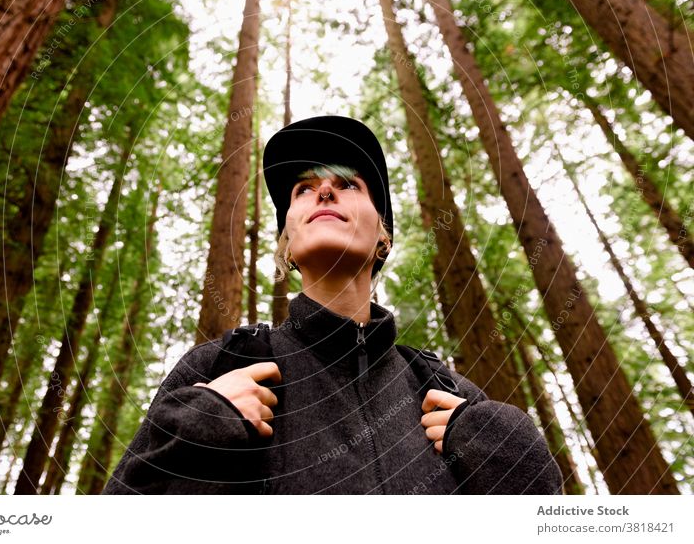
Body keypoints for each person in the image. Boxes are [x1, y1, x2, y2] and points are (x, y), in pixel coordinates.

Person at [102, 115, 563, 495]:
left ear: (383, 235)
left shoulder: (445, 393)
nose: (323, 191)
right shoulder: (219, 368)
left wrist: (513, 455)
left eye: (348, 184)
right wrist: (193, 432)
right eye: (302, 189)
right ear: (287, 241)